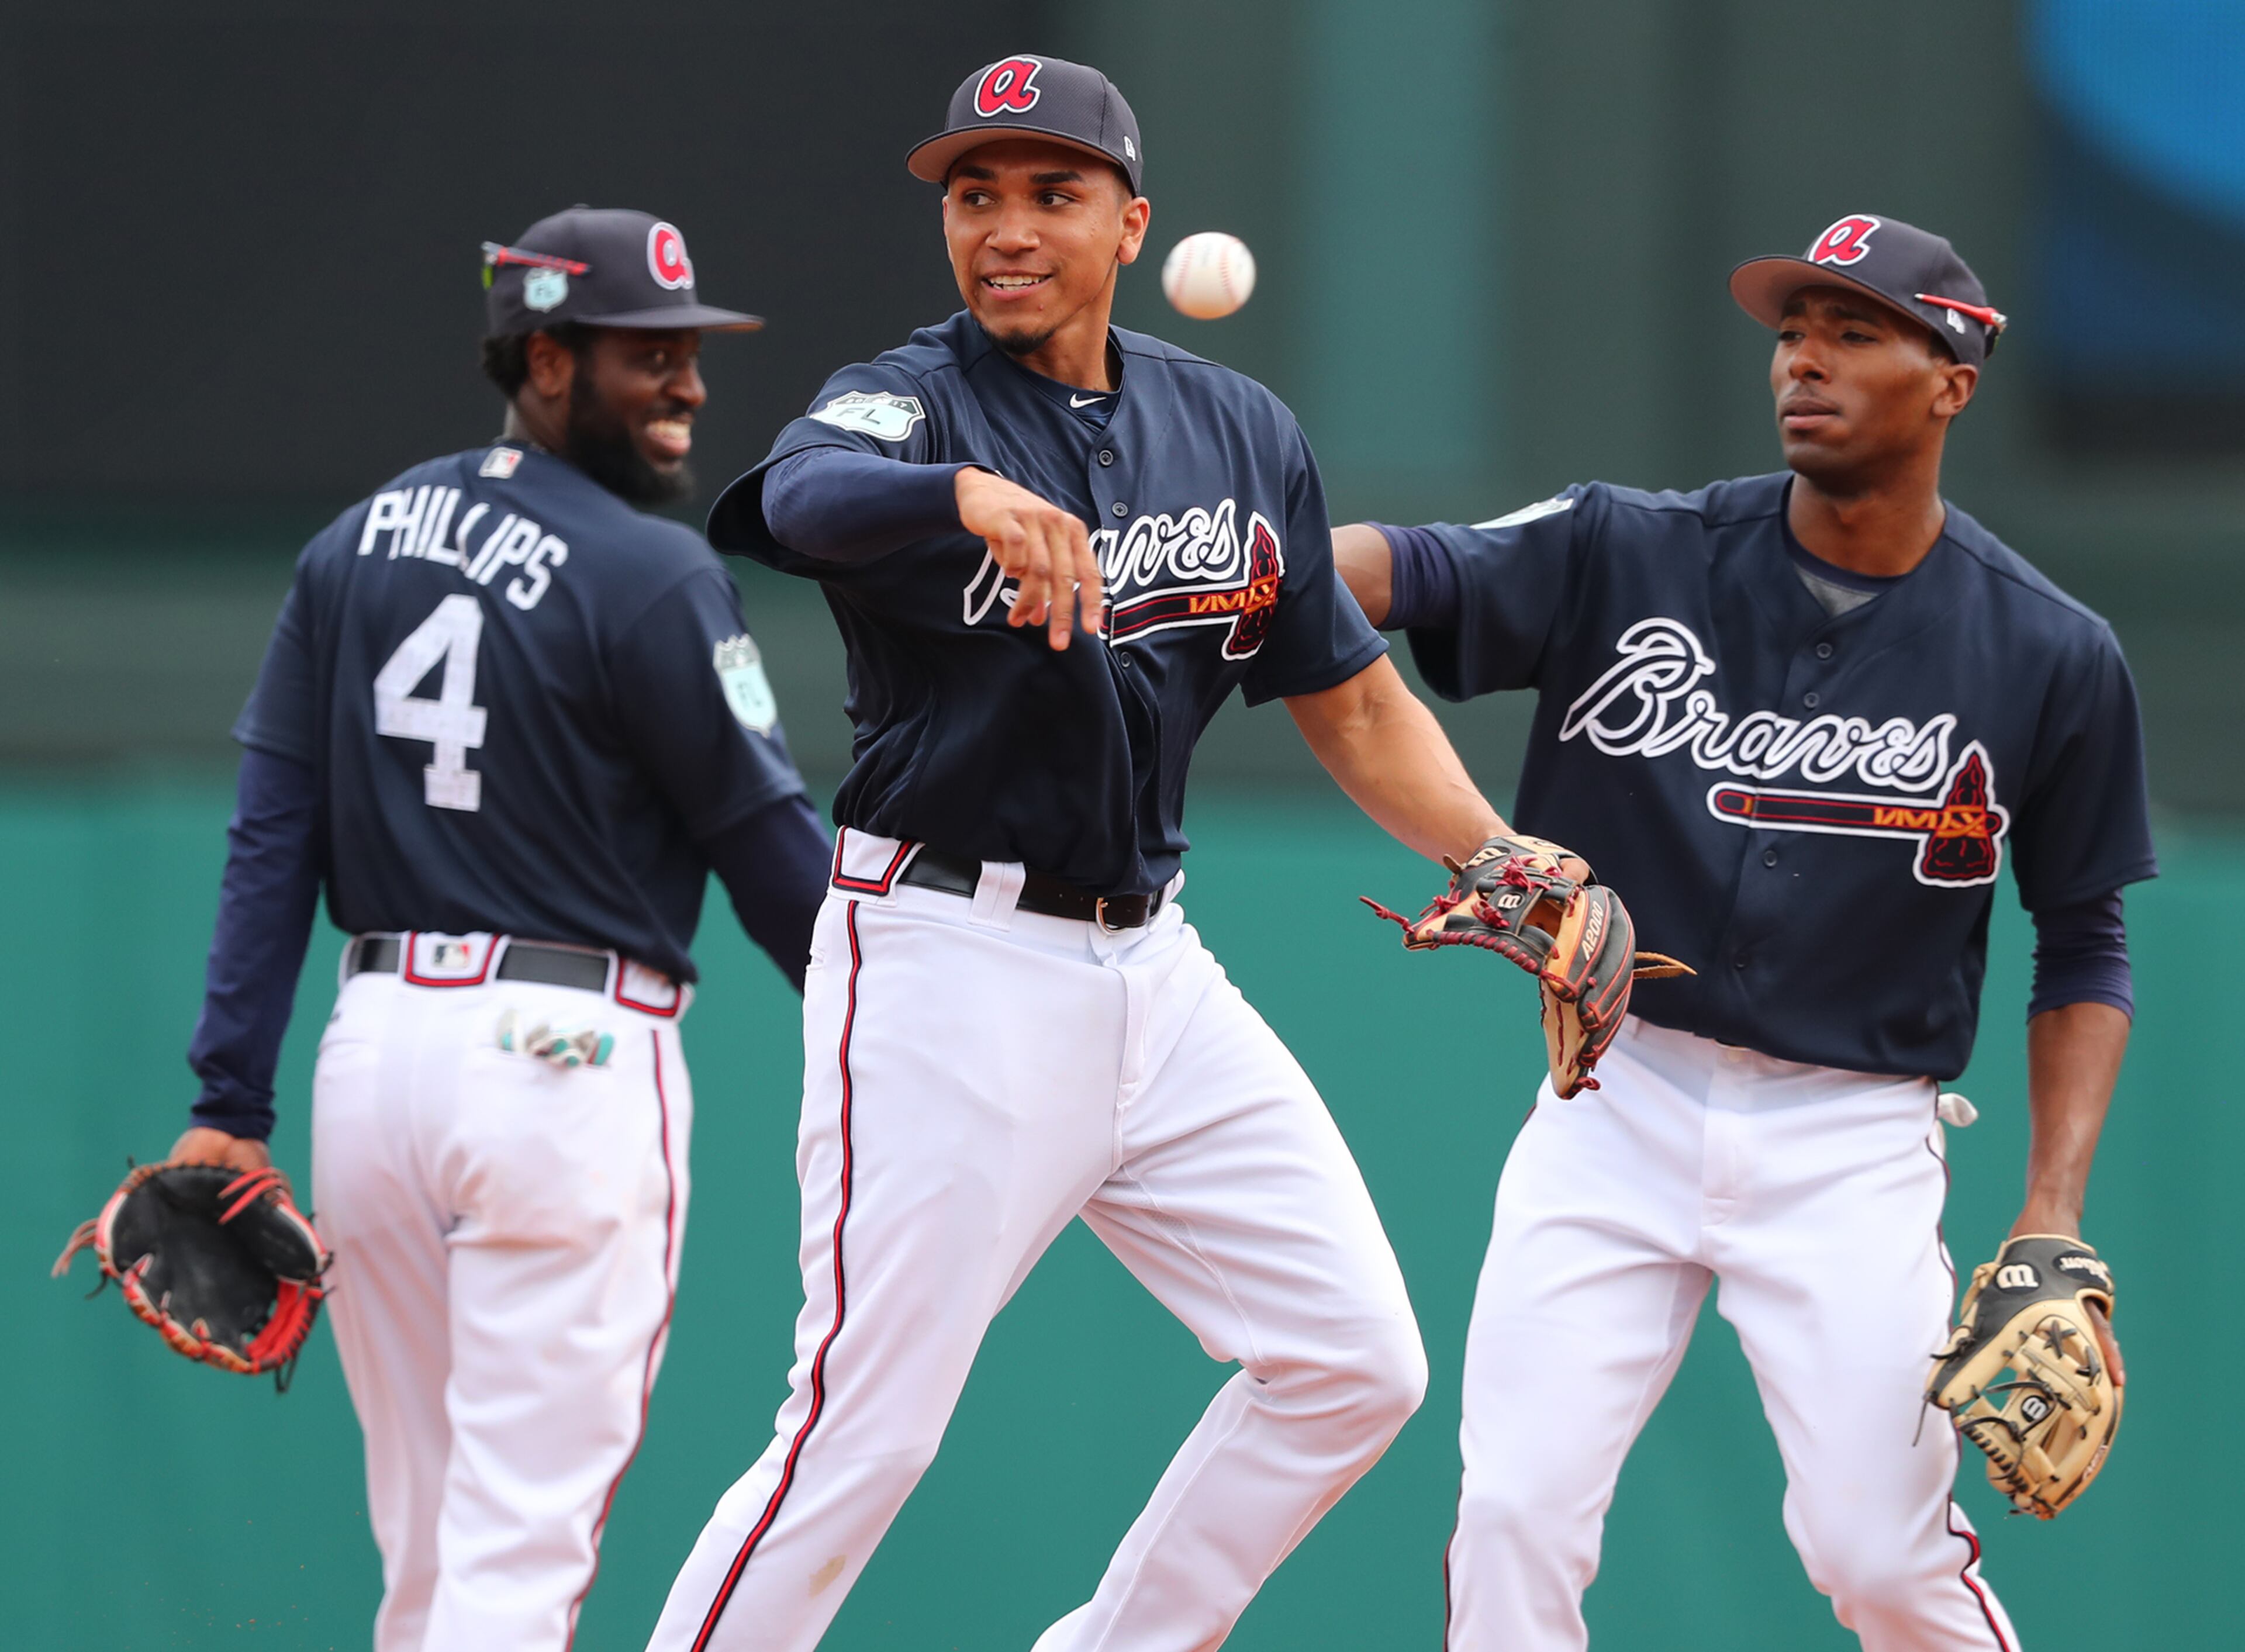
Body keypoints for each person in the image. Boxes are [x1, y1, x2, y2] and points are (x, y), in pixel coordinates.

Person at [644, 54, 1567, 1652]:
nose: (1005, 226)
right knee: (863, 1431)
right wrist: (964, 497)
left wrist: (1503, 852)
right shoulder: (911, 396)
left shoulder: (1236, 427)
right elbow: (799, 494)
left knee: (1354, 1361)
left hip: (1156, 970)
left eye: (1050, 193)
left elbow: (1349, 701)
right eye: (975, 194)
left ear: (1131, 222)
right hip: (945, 959)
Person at [1334, 213, 2153, 1650]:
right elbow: (1388, 570)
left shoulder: (2049, 651)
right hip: (1616, 1098)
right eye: (1792, 332)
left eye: (1856, 333)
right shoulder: (1627, 547)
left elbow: (2084, 944)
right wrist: (1235, 560)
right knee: (1515, 1513)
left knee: (1881, 1561)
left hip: (1852, 1147)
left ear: (1953, 376)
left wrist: (2053, 1212)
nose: (1805, 362)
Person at [168, 206, 832, 1651]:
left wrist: (230, 1100)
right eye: (649, 354)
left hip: (376, 1062)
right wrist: (900, 1022)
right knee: (516, 1561)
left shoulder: (352, 546)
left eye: (690, 353)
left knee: (428, 1558)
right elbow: (777, 863)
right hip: (564, 1062)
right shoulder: (652, 574)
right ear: (544, 356)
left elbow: (275, 832)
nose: (689, 386)